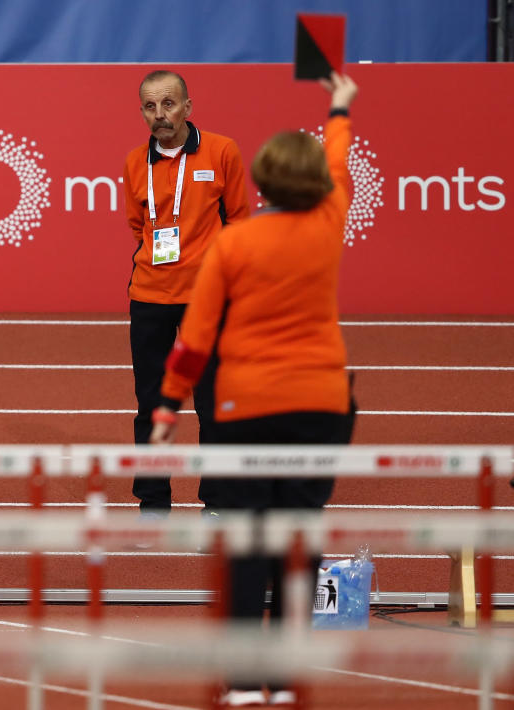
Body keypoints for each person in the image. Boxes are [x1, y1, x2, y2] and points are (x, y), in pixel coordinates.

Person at [150, 72, 359, 707]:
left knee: (244, 542)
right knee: (299, 539)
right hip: (321, 406)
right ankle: (290, 680)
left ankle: (242, 683)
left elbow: (197, 336)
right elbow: (342, 159)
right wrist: (340, 107)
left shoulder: (235, 242)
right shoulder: (331, 221)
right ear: (317, 185)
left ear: (260, 184)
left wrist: (167, 404)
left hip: (244, 409)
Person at [123, 70, 250, 516]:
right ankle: (153, 502)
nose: (161, 115)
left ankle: (216, 503)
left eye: (169, 104)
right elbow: (138, 225)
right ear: (142, 112)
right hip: (150, 296)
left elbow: (238, 219)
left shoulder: (222, 151)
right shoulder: (135, 161)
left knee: (213, 402)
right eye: (151, 107)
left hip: (208, 301)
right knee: (152, 404)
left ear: (188, 107)